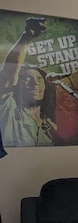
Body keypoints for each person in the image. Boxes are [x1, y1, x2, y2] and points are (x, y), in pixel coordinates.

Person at [0, 18, 58, 147]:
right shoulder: (8, 109)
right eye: (28, 78)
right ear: (18, 85)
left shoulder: (48, 127)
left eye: (39, 79)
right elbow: (10, 70)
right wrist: (27, 37)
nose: (35, 83)